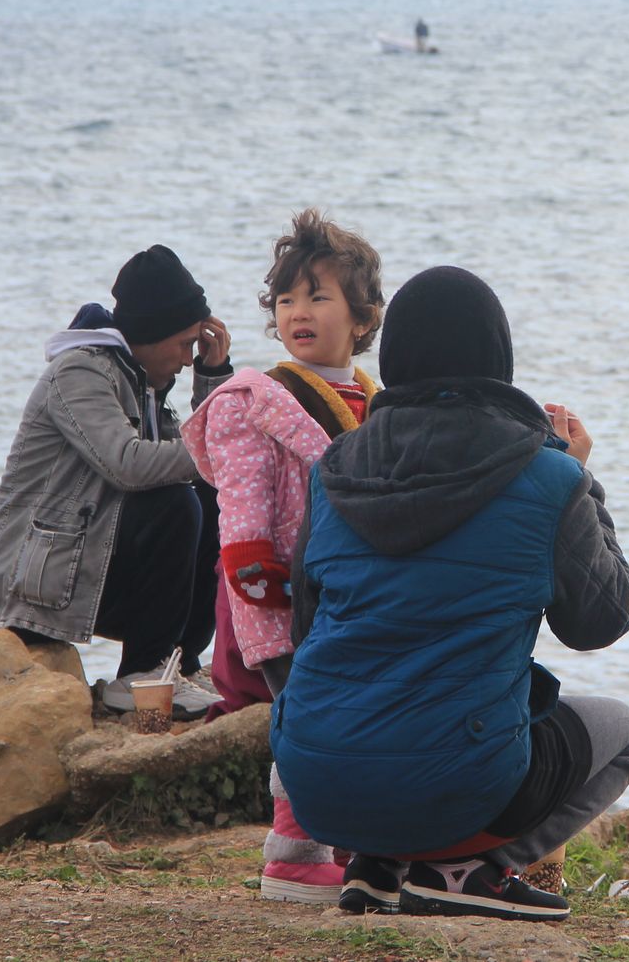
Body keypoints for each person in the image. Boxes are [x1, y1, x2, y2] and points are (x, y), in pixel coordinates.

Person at [271, 266, 629, 922]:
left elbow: (306, 629)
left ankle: (377, 861)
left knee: (392, 699)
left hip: (317, 778)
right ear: (497, 362)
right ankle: (468, 870)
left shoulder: (335, 469)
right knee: (626, 733)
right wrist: (582, 482)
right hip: (457, 776)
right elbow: (603, 617)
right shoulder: (546, 475)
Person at [179, 209, 385, 904]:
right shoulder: (252, 402)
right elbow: (240, 514)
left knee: (354, 718)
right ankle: (293, 854)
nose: (300, 311)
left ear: (364, 317)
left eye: (319, 295)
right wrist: (264, 606)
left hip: (354, 598)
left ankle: (351, 841)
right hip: (275, 596)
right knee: (307, 719)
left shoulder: (378, 405)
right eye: (287, 298)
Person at [0, 244, 232, 720]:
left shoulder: (140, 380)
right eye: (183, 345)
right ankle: (142, 673)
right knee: (178, 503)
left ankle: (174, 662)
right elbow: (129, 465)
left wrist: (212, 376)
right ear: (151, 334)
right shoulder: (80, 371)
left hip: (90, 564)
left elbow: (198, 460)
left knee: (211, 497)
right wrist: (224, 452)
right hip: (43, 582)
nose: (185, 358)